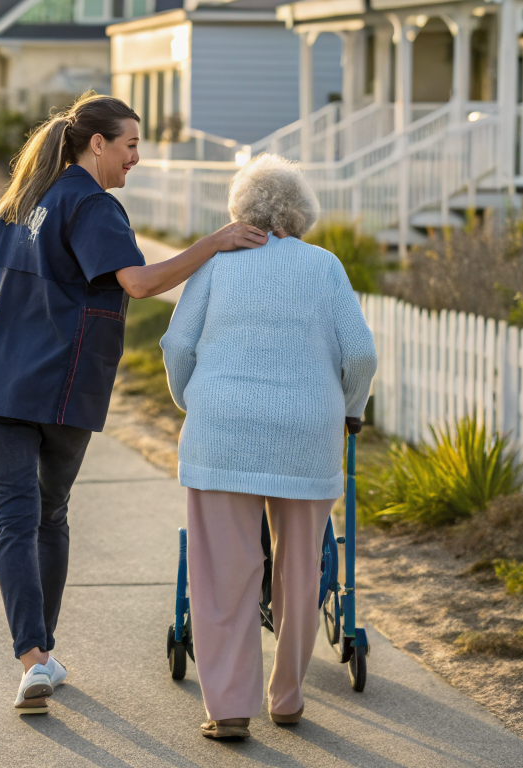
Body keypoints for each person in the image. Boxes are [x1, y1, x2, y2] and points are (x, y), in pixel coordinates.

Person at [0, 93, 268, 715]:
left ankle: (34, 661)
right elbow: (141, 282)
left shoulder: (24, 200)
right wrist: (217, 241)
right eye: (129, 145)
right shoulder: (93, 204)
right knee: (47, 517)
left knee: (15, 521)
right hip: (58, 387)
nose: (136, 158)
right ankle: (37, 658)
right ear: (95, 143)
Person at [160, 154, 377, 741]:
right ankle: (287, 698)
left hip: (222, 429)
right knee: (301, 566)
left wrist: (193, 400)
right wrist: (350, 407)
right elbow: (360, 354)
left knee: (223, 571)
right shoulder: (324, 266)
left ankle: (230, 708)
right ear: (300, 213)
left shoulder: (217, 264)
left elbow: (177, 344)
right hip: (307, 433)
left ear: (241, 210)